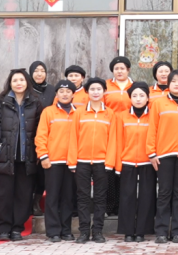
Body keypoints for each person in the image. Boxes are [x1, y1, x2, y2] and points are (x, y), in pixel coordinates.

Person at [0, 68, 42, 242]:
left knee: (23, 194)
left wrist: (40, 152)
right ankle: (2, 228)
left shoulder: (35, 102)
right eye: (15, 80)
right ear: (10, 83)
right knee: (1, 194)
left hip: (27, 156)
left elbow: (40, 129)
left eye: (21, 80)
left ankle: (17, 227)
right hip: (5, 154)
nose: (19, 83)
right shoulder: (2, 101)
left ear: (27, 82)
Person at [147, 70, 178, 243]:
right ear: (168, 84)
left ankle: (177, 231)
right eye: (173, 81)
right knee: (164, 192)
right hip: (164, 155)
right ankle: (161, 231)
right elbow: (152, 128)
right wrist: (151, 152)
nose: (176, 84)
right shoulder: (158, 103)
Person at [67, 77, 116, 244]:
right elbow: (73, 137)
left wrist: (109, 162)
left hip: (102, 162)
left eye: (99, 89)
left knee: (101, 197)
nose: (96, 92)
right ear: (87, 92)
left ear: (104, 92)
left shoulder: (110, 114)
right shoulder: (79, 113)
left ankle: (98, 232)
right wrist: (72, 161)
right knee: (83, 197)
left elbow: (113, 139)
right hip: (82, 161)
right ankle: (83, 232)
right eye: (92, 89)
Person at [111, 82, 156, 243]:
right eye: (135, 96)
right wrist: (118, 165)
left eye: (142, 95)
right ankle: (128, 231)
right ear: (130, 98)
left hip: (148, 162)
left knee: (147, 197)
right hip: (127, 162)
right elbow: (117, 141)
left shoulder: (153, 115)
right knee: (127, 197)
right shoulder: (121, 116)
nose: (138, 99)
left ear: (148, 98)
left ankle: (142, 231)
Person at [36, 79, 79, 242]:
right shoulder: (48, 112)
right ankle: (53, 230)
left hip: (72, 163)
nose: (65, 94)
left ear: (73, 95)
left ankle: (66, 230)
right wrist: (43, 156)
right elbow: (41, 136)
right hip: (53, 161)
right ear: (56, 94)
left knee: (68, 197)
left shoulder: (79, 113)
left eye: (68, 92)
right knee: (52, 197)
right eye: (61, 91)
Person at [103, 56, 132, 218]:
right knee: (110, 168)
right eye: (116, 69)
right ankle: (109, 206)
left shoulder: (134, 86)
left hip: (128, 131)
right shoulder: (106, 86)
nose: (119, 71)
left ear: (128, 70)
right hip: (109, 130)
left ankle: (122, 206)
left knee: (124, 167)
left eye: (122, 68)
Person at [28, 61, 54, 216]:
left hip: (47, 136)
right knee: (30, 171)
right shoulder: (27, 89)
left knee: (42, 173)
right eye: (36, 71)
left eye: (42, 71)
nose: (39, 74)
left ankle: (37, 202)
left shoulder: (52, 90)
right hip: (29, 135)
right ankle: (27, 201)